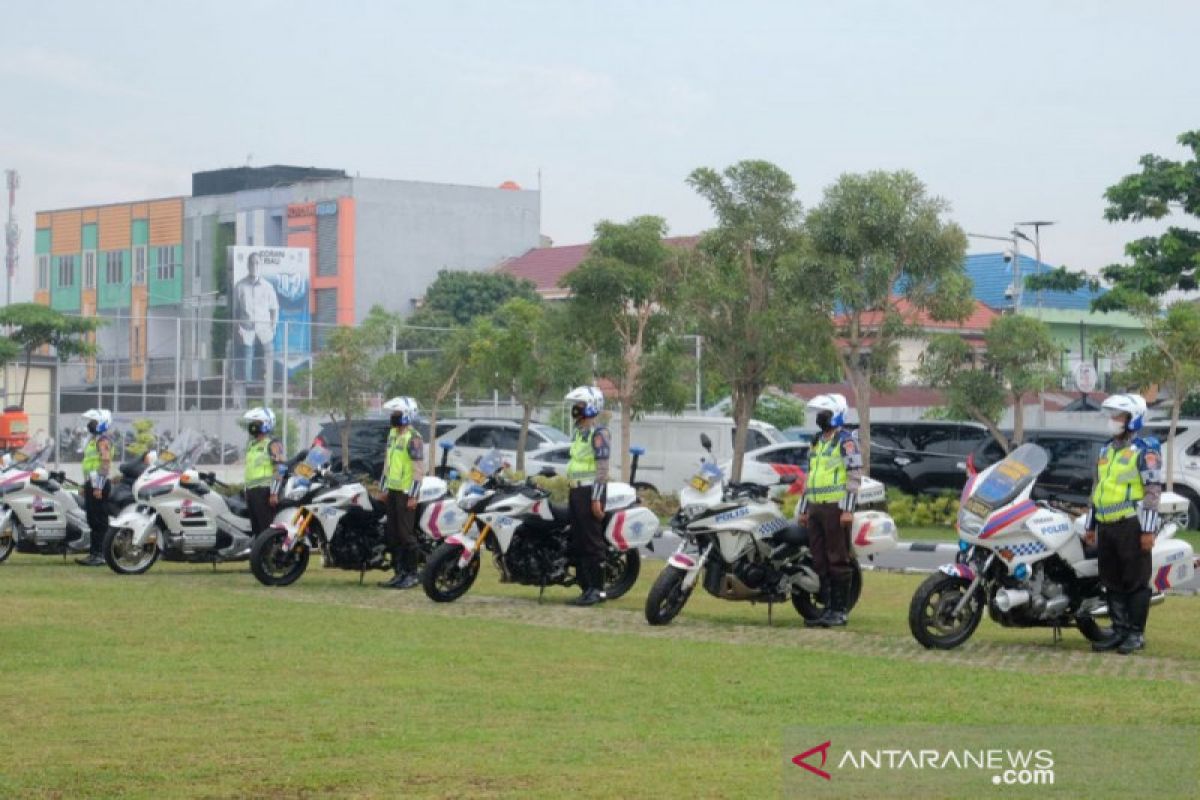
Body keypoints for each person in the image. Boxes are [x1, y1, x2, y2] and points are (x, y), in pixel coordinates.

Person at [1084, 393, 1161, 655]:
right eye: (1112, 416)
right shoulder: (1106, 450)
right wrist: (1090, 526)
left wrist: (1148, 530)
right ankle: (1118, 631)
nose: (1113, 421)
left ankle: (1135, 634)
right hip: (1106, 526)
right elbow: (1098, 489)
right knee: (1112, 580)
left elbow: (1152, 490)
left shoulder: (1144, 449)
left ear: (1133, 419)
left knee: (1135, 581)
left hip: (1132, 525)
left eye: (1118, 416)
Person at [797, 393, 862, 628]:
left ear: (835, 415)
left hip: (835, 508)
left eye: (823, 413)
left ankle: (840, 611)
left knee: (838, 558)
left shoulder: (846, 441)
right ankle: (826, 609)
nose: (819, 417)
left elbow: (854, 476)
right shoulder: (817, 441)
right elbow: (810, 476)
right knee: (819, 558)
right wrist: (804, 509)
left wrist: (848, 510)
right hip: (815, 507)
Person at [564, 386, 610, 607]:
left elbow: (602, 470)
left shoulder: (599, 433)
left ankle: (598, 590)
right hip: (576, 491)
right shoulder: (579, 433)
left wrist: (596, 499)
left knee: (593, 542)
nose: (576, 409)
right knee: (579, 541)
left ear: (592, 406)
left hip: (590, 492)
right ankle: (586, 587)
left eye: (580, 406)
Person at [378, 396, 425, 590]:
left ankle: (412, 574)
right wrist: (383, 488)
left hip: (406, 492)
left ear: (407, 415)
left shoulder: (414, 438)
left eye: (396, 414)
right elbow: (387, 464)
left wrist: (414, 495)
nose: (393, 417)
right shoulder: (392, 434)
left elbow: (418, 468)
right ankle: (399, 573)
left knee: (406, 535)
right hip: (393, 490)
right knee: (393, 534)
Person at [234, 251, 279, 383]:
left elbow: (274, 308)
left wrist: (273, 326)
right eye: (252, 262)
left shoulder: (267, 287)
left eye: (257, 263)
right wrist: (238, 329)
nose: (254, 265)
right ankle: (248, 384)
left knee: (269, 354)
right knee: (248, 357)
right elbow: (235, 311)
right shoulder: (240, 286)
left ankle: (269, 381)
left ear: (260, 266)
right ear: (248, 265)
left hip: (264, 328)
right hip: (246, 328)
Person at [76, 409, 113, 566]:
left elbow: (105, 463)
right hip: (91, 483)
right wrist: (85, 485)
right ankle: (94, 553)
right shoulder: (93, 440)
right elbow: (89, 465)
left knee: (99, 521)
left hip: (100, 484)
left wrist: (98, 486)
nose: (90, 425)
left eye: (94, 422)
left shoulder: (102, 441)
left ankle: (101, 555)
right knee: (92, 520)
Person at [242, 407, 286, 537]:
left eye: (257, 423)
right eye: (252, 423)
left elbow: (279, 468)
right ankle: (258, 555)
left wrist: (274, 493)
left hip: (265, 491)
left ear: (267, 424)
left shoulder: (272, 444)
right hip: (251, 492)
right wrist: (246, 489)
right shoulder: (251, 445)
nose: (253, 426)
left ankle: (269, 554)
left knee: (266, 528)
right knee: (256, 529)